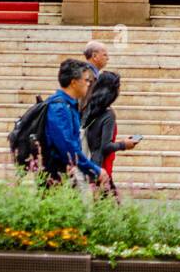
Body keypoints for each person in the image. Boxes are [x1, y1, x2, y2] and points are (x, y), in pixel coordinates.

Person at [44, 59, 110, 188]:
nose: (89, 84)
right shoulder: (59, 108)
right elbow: (67, 146)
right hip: (55, 176)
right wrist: (94, 169)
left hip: (66, 173)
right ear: (74, 82)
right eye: (86, 80)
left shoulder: (70, 105)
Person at [80, 70, 138, 195]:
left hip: (91, 163)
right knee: (109, 207)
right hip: (102, 168)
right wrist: (124, 144)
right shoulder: (108, 114)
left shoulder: (89, 107)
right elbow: (105, 146)